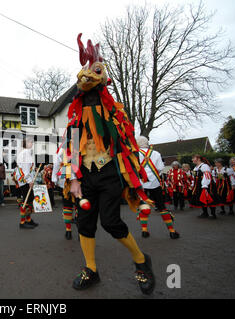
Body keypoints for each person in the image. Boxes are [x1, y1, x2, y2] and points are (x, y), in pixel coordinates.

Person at [64, 34, 155, 294]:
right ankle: (91, 269)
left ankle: (141, 262)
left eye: (92, 72)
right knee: (85, 222)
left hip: (110, 173)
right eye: (83, 72)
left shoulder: (115, 110)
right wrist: (73, 178)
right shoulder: (74, 115)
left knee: (111, 222)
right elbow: (71, 147)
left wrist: (133, 178)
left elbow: (127, 143)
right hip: (86, 176)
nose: (85, 77)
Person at [136, 136, 180, 239]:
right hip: (155, 183)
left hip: (142, 184)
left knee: (143, 206)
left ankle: (144, 230)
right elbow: (160, 168)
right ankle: (172, 231)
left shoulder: (136, 154)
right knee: (161, 207)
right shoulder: (156, 153)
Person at [14, 137, 39, 229]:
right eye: (30, 142)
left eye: (32, 142)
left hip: (25, 180)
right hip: (25, 180)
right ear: (25, 143)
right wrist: (29, 181)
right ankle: (22, 222)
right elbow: (25, 169)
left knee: (29, 200)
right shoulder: (25, 153)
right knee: (26, 200)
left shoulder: (25, 152)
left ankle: (28, 219)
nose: (32, 143)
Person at [52, 147, 76, 240]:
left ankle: (68, 230)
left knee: (67, 205)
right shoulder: (79, 146)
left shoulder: (63, 149)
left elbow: (57, 165)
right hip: (72, 180)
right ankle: (71, 230)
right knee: (74, 205)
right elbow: (57, 164)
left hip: (66, 180)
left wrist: (54, 177)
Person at [190, 155, 220, 219]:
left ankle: (213, 214)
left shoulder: (204, 166)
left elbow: (207, 176)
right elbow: (194, 178)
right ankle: (205, 213)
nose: (192, 160)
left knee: (209, 198)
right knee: (201, 199)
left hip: (207, 185)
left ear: (198, 159)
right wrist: (192, 184)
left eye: (193, 158)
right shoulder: (196, 167)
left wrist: (204, 186)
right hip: (199, 185)